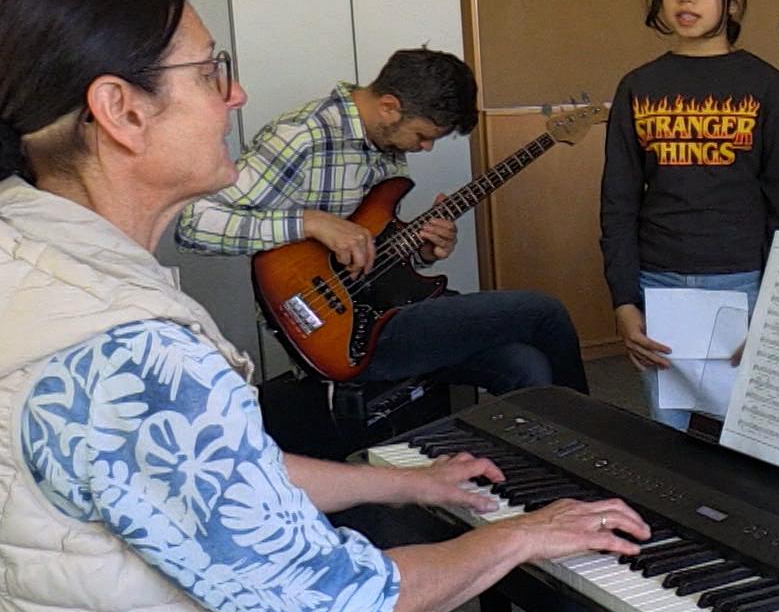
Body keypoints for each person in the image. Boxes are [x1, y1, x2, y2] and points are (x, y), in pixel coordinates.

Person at [0, 0, 650, 612]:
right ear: (120, 110)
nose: (237, 96)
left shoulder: (19, 255)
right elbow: (335, 611)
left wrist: (402, 482)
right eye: (213, 71)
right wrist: (522, 536)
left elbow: (208, 471)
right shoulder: (128, 353)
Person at [176, 48, 589, 396]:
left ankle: (539, 470)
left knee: (526, 365)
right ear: (389, 107)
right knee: (543, 311)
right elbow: (194, 223)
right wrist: (311, 222)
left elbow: (373, 247)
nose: (425, 149)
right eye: (423, 135)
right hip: (335, 330)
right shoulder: (303, 136)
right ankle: (595, 446)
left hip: (386, 307)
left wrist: (424, 250)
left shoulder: (385, 146)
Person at [599, 0, 779, 429]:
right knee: (667, 435)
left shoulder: (765, 86)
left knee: (747, 434)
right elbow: (618, 203)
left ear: (733, 0)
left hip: (742, 281)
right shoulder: (639, 86)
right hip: (658, 281)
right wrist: (624, 302)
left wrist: (776, 307)